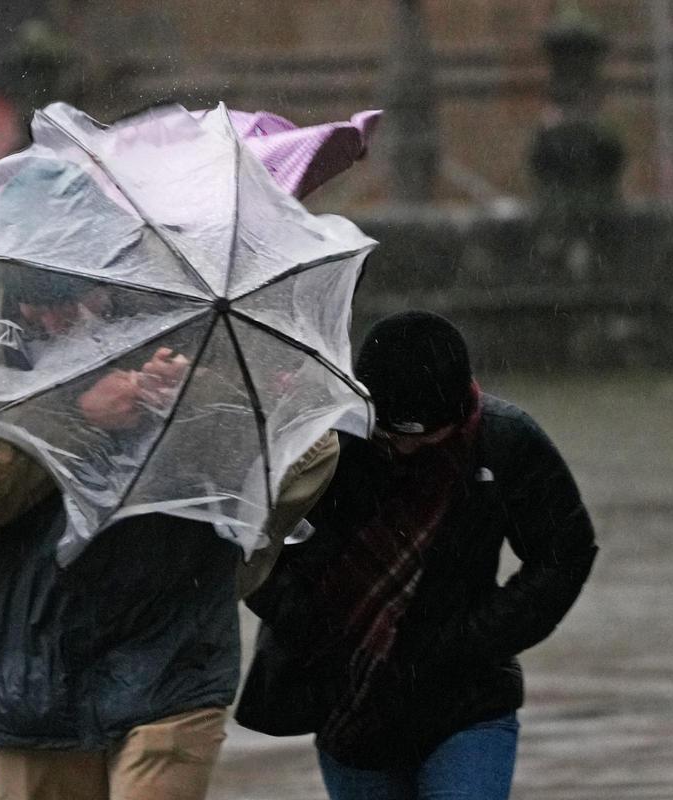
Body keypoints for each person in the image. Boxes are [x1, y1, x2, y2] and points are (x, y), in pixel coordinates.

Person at [0, 269, 339, 800]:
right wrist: (75, 416)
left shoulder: (205, 309)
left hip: (173, 638)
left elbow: (308, 453)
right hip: (27, 646)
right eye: (34, 308)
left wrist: (198, 399)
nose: (53, 321)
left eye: (68, 305)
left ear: (106, 285)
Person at [235, 311, 598, 800]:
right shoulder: (321, 444)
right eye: (390, 433)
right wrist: (309, 620)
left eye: (422, 435)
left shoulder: (506, 442)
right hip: (346, 699)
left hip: (466, 701)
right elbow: (255, 549)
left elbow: (564, 554)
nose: (404, 447)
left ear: (457, 414)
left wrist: (473, 638)